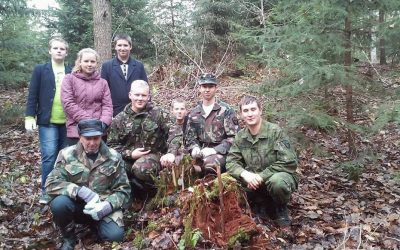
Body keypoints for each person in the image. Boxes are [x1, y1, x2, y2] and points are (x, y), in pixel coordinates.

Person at [45, 119, 130, 250]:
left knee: (115, 236)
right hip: (77, 206)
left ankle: (96, 226)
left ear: (102, 136)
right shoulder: (67, 154)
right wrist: (79, 191)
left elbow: (124, 190)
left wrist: (107, 206)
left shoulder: (114, 157)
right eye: (87, 138)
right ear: (80, 137)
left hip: (103, 205)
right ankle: (69, 238)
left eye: (96, 138)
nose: (92, 143)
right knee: (59, 204)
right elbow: (51, 183)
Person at [226, 95, 298, 226]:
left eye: (253, 109)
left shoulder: (275, 132)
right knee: (229, 182)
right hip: (253, 181)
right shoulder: (241, 136)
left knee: (278, 183)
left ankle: (280, 208)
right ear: (241, 114)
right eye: (246, 111)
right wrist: (245, 174)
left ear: (260, 110)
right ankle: (260, 204)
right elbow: (231, 162)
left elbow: (289, 162)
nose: (250, 114)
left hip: (274, 177)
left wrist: (261, 176)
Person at [25, 37, 71, 204]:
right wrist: (30, 115)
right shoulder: (40, 70)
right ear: (50, 50)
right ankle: (46, 190)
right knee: (49, 156)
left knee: (64, 156)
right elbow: (33, 93)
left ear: (66, 52)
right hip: (48, 121)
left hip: (67, 122)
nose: (59, 51)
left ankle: (61, 188)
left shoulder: (71, 70)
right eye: (56, 48)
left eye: (62, 49)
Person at [108, 80, 172, 199]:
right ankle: (124, 198)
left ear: (148, 97)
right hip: (128, 158)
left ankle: (151, 197)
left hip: (154, 156)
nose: (140, 98)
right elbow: (112, 145)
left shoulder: (158, 114)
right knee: (111, 167)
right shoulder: (119, 119)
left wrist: (171, 153)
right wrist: (130, 154)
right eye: (137, 95)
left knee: (141, 169)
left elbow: (175, 132)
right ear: (130, 95)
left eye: (143, 95)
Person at [185, 73, 240, 174]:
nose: (207, 90)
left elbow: (234, 138)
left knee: (208, 165)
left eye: (210, 86)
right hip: (200, 153)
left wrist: (214, 150)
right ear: (199, 88)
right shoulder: (194, 113)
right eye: (204, 86)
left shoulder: (226, 110)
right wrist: (194, 148)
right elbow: (190, 138)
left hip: (221, 153)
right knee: (183, 167)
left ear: (216, 88)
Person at [61, 48, 113, 146]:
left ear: (96, 63)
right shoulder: (69, 79)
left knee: (99, 161)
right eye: (86, 61)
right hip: (77, 131)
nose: (89, 64)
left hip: (99, 131)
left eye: (92, 61)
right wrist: (90, 121)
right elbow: (68, 104)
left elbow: (107, 106)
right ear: (79, 62)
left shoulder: (103, 82)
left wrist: (103, 123)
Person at [101, 34, 148, 117]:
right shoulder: (107, 66)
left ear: (130, 47)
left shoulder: (138, 66)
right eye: (119, 45)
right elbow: (104, 91)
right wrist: (107, 112)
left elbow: (146, 88)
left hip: (137, 110)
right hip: (115, 111)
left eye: (125, 45)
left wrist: (146, 108)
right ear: (115, 47)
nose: (122, 48)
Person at [160, 98, 188, 168]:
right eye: (176, 109)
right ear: (172, 111)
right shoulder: (166, 126)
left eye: (182, 109)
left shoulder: (190, 125)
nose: (179, 111)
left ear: (186, 111)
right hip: (170, 156)